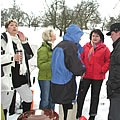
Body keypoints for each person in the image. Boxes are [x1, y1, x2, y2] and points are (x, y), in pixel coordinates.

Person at [50, 24, 86, 120]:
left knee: (62, 108)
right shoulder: (70, 47)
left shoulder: (60, 45)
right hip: (66, 83)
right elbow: (76, 68)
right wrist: (83, 69)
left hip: (56, 83)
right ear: (74, 35)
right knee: (68, 111)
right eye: (79, 36)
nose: (80, 39)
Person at [1, 19, 34, 119]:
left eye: (16, 25)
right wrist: (11, 58)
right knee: (5, 105)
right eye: (11, 25)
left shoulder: (19, 39)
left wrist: (24, 41)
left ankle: (25, 118)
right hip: (8, 77)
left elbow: (30, 55)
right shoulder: (3, 39)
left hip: (20, 75)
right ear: (6, 28)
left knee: (28, 98)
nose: (14, 27)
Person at [76, 29, 110, 120]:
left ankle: (92, 115)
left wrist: (103, 69)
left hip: (98, 77)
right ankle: (78, 114)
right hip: (86, 75)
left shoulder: (105, 49)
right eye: (93, 36)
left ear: (101, 38)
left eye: (97, 36)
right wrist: (82, 69)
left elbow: (108, 61)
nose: (95, 38)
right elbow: (80, 58)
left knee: (95, 97)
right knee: (81, 96)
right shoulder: (85, 47)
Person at [37, 29, 56, 110]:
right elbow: (40, 65)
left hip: (52, 78)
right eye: (54, 34)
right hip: (45, 78)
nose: (55, 35)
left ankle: (51, 116)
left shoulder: (52, 47)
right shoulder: (43, 49)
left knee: (52, 100)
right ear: (50, 37)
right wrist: (53, 63)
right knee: (45, 100)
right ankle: (43, 116)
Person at [106, 23, 120, 120]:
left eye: (112, 34)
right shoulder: (117, 46)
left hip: (117, 89)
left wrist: (114, 84)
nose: (110, 37)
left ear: (118, 32)